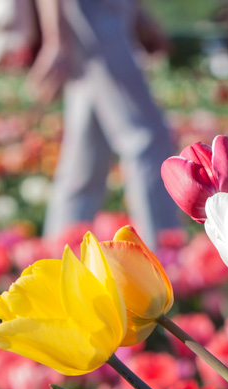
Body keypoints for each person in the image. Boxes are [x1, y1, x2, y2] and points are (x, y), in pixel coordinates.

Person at [28, 0, 182, 243]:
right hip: (91, 12)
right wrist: (55, 37)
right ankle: (164, 256)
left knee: (86, 154)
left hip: (101, 11)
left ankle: (58, 260)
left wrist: (136, 12)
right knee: (147, 140)